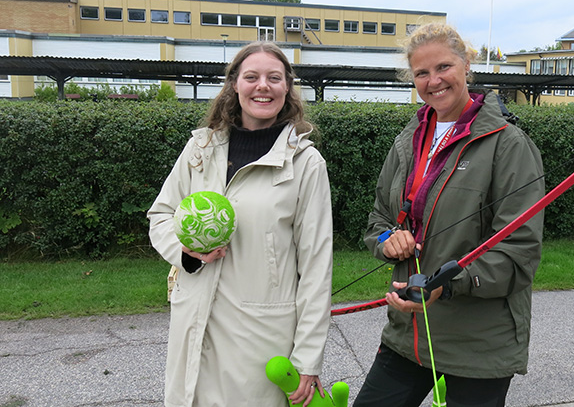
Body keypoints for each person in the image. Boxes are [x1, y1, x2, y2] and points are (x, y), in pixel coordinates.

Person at [354, 23, 545, 407]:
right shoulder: (407, 141)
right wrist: (386, 241)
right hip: (408, 334)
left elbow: (518, 252)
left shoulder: (508, 144)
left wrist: (448, 283)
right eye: (422, 73)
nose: (434, 81)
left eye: (443, 67)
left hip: (479, 344)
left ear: (466, 65)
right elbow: (377, 222)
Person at [147, 42, 333, 407]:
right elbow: (161, 215)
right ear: (235, 84)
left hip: (259, 335)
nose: (262, 86)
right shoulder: (201, 148)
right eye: (251, 77)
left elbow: (316, 265)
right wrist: (186, 254)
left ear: (287, 88)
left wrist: (308, 358)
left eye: (274, 78)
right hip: (194, 320)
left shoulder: (305, 163)